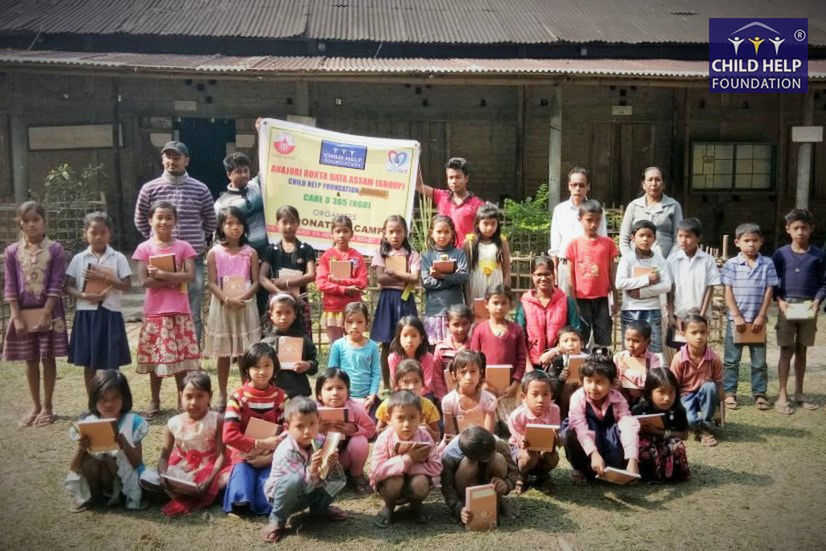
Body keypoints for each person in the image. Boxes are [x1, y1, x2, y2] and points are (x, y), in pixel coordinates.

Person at [134, 141, 217, 343]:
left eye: (177, 157)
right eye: (168, 156)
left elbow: (211, 220)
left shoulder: (200, 189)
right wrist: (156, 243)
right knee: (162, 307)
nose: (172, 161)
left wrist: (199, 243)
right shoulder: (149, 188)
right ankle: (165, 349)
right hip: (159, 259)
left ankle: (193, 354)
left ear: (186, 160)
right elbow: (139, 219)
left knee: (192, 308)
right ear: (163, 159)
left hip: (191, 259)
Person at [132, 201, 200, 418]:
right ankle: (154, 399)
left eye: (168, 217)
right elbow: (144, 281)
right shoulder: (144, 249)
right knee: (156, 359)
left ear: (175, 221)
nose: (163, 221)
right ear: (150, 220)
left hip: (179, 310)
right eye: (159, 217)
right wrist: (171, 279)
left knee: (181, 360)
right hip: (155, 312)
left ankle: (183, 398)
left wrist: (162, 276)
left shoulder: (184, 247)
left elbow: (190, 277)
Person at [4, 201, 68, 428]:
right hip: (23, 312)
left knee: (48, 357)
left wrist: (47, 313)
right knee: (30, 360)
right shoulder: (12, 252)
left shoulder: (55, 249)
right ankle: (35, 406)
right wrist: (16, 316)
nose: (31, 225)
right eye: (26, 220)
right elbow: (10, 285)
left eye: (36, 220)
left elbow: (56, 283)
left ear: (44, 222)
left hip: (48, 312)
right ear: (20, 224)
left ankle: (48, 407)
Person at [260, 397, 348, 544]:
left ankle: (319, 510)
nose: (307, 431)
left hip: (308, 490)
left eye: (312, 424)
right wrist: (313, 470)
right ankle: (277, 520)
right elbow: (298, 483)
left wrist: (330, 463)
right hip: (284, 497)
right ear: (287, 427)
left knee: (335, 475)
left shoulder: (319, 440)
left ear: (319, 422)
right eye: (300, 426)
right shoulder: (287, 450)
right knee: (294, 479)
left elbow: (325, 473)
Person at [65, 212, 131, 399]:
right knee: (89, 362)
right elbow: (67, 286)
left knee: (112, 362)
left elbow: (127, 286)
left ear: (110, 233)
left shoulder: (118, 258)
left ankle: (114, 399)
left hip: (110, 313)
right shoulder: (79, 259)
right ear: (85, 233)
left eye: (103, 232)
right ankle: (93, 402)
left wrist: (106, 279)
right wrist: (84, 295)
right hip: (86, 314)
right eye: (94, 232)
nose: (99, 237)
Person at [65, 371, 147, 511]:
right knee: (89, 458)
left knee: (112, 457)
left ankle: (122, 494)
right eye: (103, 398)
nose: (109, 403)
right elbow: (73, 467)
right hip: (100, 476)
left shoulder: (132, 422)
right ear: (94, 399)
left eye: (115, 397)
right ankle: (94, 495)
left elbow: (137, 463)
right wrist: (81, 448)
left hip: (124, 476)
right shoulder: (88, 423)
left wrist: (125, 445)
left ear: (124, 398)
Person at [204, 206, 261, 410]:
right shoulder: (214, 253)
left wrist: (242, 298)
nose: (234, 227)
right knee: (224, 353)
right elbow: (211, 282)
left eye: (238, 223)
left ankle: (247, 391)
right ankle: (221, 393)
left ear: (244, 226)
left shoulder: (250, 252)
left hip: (245, 306)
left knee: (247, 352)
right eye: (229, 223)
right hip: (222, 306)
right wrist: (227, 300)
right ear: (221, 226)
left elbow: (255, 282)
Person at [222, 343, 287, 516]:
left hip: (271, 456)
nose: (262, 371)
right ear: (246, 370)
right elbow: (228, 435)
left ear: (275, 366)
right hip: (244, 455)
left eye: (267, 365)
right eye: (256, 367)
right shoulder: (238, 398)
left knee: (269, 491)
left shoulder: (282, 397)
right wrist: (258, 443)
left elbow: (289, 432)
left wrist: (270, 456)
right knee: (240, 494)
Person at [153, 371, 229, 516]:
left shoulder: (217, 420)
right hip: (184, 465)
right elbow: (164, 457)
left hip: (211, 465)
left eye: (200, 396)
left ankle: (201, 491)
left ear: (210, 396)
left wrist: (208, 481)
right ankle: (184, 490)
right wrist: (163, 476)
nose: (194, 402)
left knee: (222, 482)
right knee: (156, 479)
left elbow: (221, 456)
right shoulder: (173, 423)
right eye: (188, 396)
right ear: (180, 395)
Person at [772, 208, 826, 414]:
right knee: (786, 349)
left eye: (804, 228)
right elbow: (773, 281)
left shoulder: (819, 255)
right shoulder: (780, 254)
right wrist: (779, 300)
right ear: (788, 229)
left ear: (811, 229)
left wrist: (817, 301)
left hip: (808, 307)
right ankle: (783, 394)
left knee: (802, 349)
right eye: (796, 228)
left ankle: (800, 392)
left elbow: (824, 283)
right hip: (787, 306)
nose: (800, 232)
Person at [721, 223, 778, 412]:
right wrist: (736, 316)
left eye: (755, 240)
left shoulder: (767, 264)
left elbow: (770, 290)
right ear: (737, 242)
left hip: (757, 322)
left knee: (759, 361)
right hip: (735, 322)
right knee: (731, 360)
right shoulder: (731, 264)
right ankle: (729, 393)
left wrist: (762, 316)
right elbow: (727, 290)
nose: (751, 244)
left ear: (761, 242)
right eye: (746, 241)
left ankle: (760, 393)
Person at [561, 348, 640, 482]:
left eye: (600, 382)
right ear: (582, 380)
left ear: (611, 383)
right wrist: (593, 454)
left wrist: (633, 459)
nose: (593, 387)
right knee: (569, 432)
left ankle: (612, 467)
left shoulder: (618, 398)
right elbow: (580, 427)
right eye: (589, 381)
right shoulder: (577, 397)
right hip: (587, 439)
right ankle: (580, 468)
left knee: (630, 428)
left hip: (608, 441)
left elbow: (628, 426)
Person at [370, 390, 441, 527]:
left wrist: (412, 467)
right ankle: (389, 507)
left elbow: (437, 466)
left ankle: (416, 505)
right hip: (389, 486)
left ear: (421, 418)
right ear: (389, 419)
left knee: (421, 482)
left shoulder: (425, 436)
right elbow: (377, 472)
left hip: (415, 482)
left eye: (412, 417)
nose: (407, 424)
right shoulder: (384, 438)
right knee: (395, 480)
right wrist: (408, 459)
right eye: (400, 418)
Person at [370, 215, 420, 388]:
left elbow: (414, 278)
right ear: (384, 234)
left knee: (408, 342)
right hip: (387, 302)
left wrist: (396, 273)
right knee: (386, 343)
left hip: (405, 300)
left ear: (405, 233)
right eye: (391, 231)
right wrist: (404, 278)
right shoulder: (380, 253)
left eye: (399, 231)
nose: (395, 235)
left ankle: (407, 382)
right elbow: (381, 278)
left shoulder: (412, 254)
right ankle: (387, 386)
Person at [470, 284, 528, 421]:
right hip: (486, 387)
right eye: (495, 303)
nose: (499, 307)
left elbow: (521, 359)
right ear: (486, 304)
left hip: (510, 388)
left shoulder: (516, 330)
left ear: (510, 304)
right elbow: (474, 359)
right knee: (488, 422)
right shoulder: (480, 330)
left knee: (511, 423)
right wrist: (483, 382)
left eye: (503, 303)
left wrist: (515, 383)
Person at [440, 425, 518, 526]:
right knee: (468, 466)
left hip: (491, 481)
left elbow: (514, 472)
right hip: (465, 484)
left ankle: (497, 500)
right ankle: (468, 503)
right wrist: (459, 509)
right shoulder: (450, 456)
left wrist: (506, 484)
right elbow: (447, 488)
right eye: (486, 458)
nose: (490, 458)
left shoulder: (497, 443)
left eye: (492, 453)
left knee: (498, 459)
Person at [565, 199, 618, 346]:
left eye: (597, 220)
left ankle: (603, 364)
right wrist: (573, 300)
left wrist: (615, 298)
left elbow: (611, 273)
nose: (593, 224)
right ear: (580, 219)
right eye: (589, 220)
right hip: (581, 299)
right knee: (581, 336)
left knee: (604, 335)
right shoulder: (573, 245)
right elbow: (570, 276)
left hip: (602, 298)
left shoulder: (608, 244)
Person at [315, 368, 376, 494]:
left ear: (348, 391)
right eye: (329, 389)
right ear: (319, 394)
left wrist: (354, 430)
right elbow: (298, 435)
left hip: (344, 459)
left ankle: (356, 475)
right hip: (319, 461)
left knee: (360, 441)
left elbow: (371, 431)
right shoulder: (312, 411)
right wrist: (316, 430)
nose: (335, 393)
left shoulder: (355, 408)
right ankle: (320, 479)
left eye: (340, 388)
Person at [514, 255, 581, 369]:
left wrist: (555, 351)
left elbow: (576, 333)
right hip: (532, 364)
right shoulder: (524, 304)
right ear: (532, 277)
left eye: (547, 274)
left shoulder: (566, 301)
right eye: (539, 274)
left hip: (561, 363)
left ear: (554, 275)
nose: (543, 278)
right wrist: (529, 369)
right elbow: (519, 338)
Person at [615, 219, 672, 354]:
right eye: (641, 235)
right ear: (633, 238)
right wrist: (647, 279)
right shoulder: (627, 259)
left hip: (652, 309)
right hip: (630, 309)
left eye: (649, 236)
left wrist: (643, 292)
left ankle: (653, 375)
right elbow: (620, 283)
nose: (645, 239)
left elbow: (667, 285)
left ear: (654, 238)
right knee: (631, 349)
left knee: (654, 348)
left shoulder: (659, 260)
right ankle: (630, 375)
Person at [259, 205, 316, 338]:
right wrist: (280, 292)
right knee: (276, 336)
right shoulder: (271, 250)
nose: (289, 226)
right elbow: (262, 277)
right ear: (277, 224)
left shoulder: (306, 249)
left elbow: (311, 275)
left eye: (292, 222)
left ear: (298, 223)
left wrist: (287, 283)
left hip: (300, 301)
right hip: (278, 302)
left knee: (302, 336)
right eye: (284, 222)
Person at [549, 167, 608, 293]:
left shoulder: (597, 211)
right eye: (574, 184)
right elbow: (555, 242)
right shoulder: (560, 210)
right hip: (565, 266)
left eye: (581, 185)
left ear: (588, 187)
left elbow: (603, 240)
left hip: (590, 266)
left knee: (587, 308)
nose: (578, 189)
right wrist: (555, 268)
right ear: (569, 186)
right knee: (566, 307)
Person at [669, 312, 723, 447]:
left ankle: (706, 427)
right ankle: (695, 424)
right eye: (694, 332)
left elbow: (719, 382)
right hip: (685, 396)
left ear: (707, 333)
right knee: (691, 421)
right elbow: (673, 385)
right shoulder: (679, 358)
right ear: (683, 334)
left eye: (702, 332)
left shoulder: (714, 358)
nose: (699, 336)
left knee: (710, 386)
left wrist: (721, 404)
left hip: (707, 396)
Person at [666, 218, 721, 347]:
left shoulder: (707, 260)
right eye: (680, 236)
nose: (683, 240)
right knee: (680, 350)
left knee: (698, 348)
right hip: (680, 314)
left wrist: (701, 315)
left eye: (688, 237)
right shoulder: (672, 260)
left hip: (701, 315)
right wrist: (671, 314)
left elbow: (709, 289)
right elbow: (670, 290)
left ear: (698, 238)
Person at [315, 215, 368, 343]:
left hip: (354, 309)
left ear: (351, 234)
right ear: (332, 234)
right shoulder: (326, 257)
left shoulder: (357, 256)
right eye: (338, 231)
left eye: (345, 231)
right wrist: (344, 289)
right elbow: (321, 283)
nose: (341, 235)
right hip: (333, 310)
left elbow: (362, 282)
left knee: (355, 344)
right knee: (336, 346)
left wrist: (338, 281)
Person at [631, 367, 690, 483]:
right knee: (644, 447)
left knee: (676, 444)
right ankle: (646, 475)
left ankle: (672, 475)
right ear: (649, 392)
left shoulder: (678, 410)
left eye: (671, 392)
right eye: (661, 392)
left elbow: (684, 435)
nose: (667, 398)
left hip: (665, 441)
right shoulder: (639, 410)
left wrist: (659, 432)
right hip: (646, 443)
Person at [507, 370, 561, 494]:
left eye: (545, 394)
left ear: (551, 395)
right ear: (523, 397)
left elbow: (556, 436)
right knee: (529, 456)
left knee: (552, 456)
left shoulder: (554, 410)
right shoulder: (517, 416)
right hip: (521, 451)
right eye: (535, 394)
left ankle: (543, 475)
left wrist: (557, 439)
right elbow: (519, 441)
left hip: (544, 449)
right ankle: (521, 475)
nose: (540, 400)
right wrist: (524, 441)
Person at [420, 215, 469, 345]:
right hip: (434, 311)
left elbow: (463, 277)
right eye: (439, 232)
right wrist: (452, 279)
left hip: (455, 311)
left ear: (452, 233)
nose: (442, 235)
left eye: (446, 232)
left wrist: (441, 276)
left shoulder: (459, 254)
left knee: (455, 346)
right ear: (431, 233)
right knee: (434, 348)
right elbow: (426, 281)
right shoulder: (426, 256)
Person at [416, 157, 485, 247]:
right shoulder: (441, 196)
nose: (454, 181)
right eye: (450, 177)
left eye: (458, 177)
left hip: (466, 256)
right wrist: (415, 157)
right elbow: (418, 185)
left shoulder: (477, 204)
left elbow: (485, 233)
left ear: (466, 178)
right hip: (443, 254)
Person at [327, 302, 381, 415]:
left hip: (366, 399)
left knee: (370, 427)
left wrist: (372, 395)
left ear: (367, 323)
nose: (354, 326)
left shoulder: (372, 347)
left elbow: (376, 373)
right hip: (343, 398)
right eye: (350, 322)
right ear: (343, 323)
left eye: (360, 322)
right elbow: (332, 372)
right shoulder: (338, 345)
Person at [618, 166, 684, 258]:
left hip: (666, 261)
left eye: (657, 179)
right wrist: (631, 259)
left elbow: (679, 238)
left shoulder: (673, 206)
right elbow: (624, 239)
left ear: (664, 184)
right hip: (637, 263)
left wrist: (669, 261)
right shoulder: (634, 206)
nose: (654, 183)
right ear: (643, 184)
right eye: (650, 179)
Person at [262, 293, 318, 398]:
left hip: (298, 393)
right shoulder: (265, 344)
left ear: (295, 314)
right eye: (278, 313)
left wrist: (308, 365)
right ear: (271, 315)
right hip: (272, 395)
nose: (283, 317)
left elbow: (314, 364)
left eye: (288, 312)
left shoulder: (303, 340)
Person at [213, 152, 267, 256]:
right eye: (239, 172)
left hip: (265, 252)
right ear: (229, 174)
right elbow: (219, 234)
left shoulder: (256, 186)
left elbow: (270, 167)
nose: (244, 175)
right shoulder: (221, 204)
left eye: (246, 171)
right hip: (241, 255)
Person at [375, 359, 441, 442]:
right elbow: (378, 433)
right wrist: (393, 426)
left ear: (423, 383)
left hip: (420, 450)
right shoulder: (387, 405)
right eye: (406, 382)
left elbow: (437, 437)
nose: (411, 387)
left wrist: (426, 429)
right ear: (397, 384)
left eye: (416, 381)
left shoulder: (428, 406)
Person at [388, 316, 445, 404]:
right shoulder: (393, 358)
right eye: (405, 336)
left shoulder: (428, 357)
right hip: (401, 396)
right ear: (399, 338)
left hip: (423, 395)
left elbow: (427, 384)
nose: (409, 340)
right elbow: (395, 383)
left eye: (414, 336)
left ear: (421, 339)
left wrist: (414, 397)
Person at [464, 202, 511, 305]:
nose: (489, 228)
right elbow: (465, 272)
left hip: (496, 285)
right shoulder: (469, 242)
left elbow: (507, 271)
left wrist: (505, 292)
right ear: (477, 223)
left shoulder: (502, 242)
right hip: (476, 286)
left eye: (493, 223)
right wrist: (468, 299)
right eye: (485, 223)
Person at [441, 349, 497, 434]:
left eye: (473, 371)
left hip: (484, 441)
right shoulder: (449, 401)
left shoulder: (489, 399)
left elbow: (488, 433)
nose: (468, 377)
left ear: (480, 373)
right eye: (463, 372)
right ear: (454, 375)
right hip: (458, 442)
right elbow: (450, 434)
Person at [539, 325, 584, 419]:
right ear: (559, 346)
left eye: (574, 340)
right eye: (565, 341)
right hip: (562, 404)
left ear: (582, 344)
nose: (570, 344)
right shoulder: (557, 362)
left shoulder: (589, 360)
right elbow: (552, 390)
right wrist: (561, 379)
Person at [613, 320, 661, 405]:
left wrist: (628, 372)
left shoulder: (654, 359)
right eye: (628, 339)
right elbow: (612, 381)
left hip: (645, 401)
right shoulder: (619, 357)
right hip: (621, 400)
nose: (630, 344)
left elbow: (651, 382)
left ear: (648, 342)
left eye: (636, 341)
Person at [432, 303, 473, 380]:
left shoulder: (474, 345)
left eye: (465, 324)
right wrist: (443, 392)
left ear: (470, 323)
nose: (461, 329)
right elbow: (436, 375)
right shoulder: (441, 347)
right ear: (447, 325)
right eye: (456, 324)